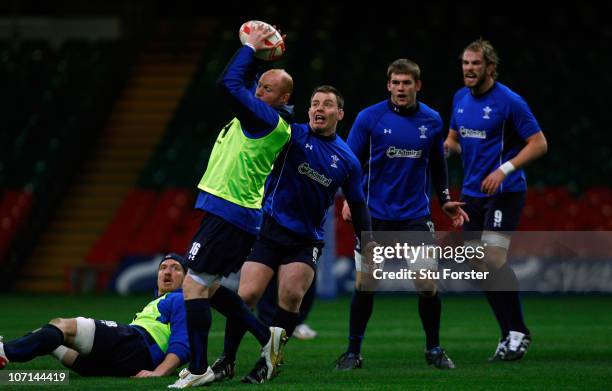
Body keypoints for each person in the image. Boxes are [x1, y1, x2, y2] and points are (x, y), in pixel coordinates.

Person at [211, 84, 373, 384]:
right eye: (314, 103)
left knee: (291, 297)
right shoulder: (291, 134)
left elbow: (359, 204)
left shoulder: (348, 160)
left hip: (306, 239)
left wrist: (368, 241)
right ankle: (227, 359)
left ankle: (267, 361)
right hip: (269, 227)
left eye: (326, 104)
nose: (318, 109)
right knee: (247, 295)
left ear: (340, 113)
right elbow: (260, 120)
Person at [168, 23, 293, 388]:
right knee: (208, 288)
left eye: (268, 89)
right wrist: (263, 59)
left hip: (231, 212)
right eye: (259, 85)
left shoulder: (267, 119)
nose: (259, 91)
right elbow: (244, 85)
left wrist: (251, 47)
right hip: (232, 212)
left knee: (191, 287)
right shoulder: (264, 113)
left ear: (283, 99)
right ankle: (265, 336)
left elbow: (228, 84)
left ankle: (199, 368)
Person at [334, 59, 468, 371]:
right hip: (373, 216)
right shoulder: (369, 117)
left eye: (407, 83)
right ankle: (353, 353)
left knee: (426, 284)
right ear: (388, 86)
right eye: (395, 83)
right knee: (367, 283)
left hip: (414, 217)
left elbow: (438, 165)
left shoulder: (432, 120)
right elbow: (350, 162)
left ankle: (434, 348)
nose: (400, 89)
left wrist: (446, 198)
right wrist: (347, 198)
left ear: (417, 86)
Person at [444, 38, 547, 361]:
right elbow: (453, 137)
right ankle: (507, 333)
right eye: (465, 63)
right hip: (472, 194)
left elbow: (539, 143)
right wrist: (446, 149)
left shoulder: (510, 101)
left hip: (505, 191)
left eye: (475, 63)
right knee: (478, 264)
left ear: (490, 67)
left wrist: (503, 169)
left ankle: (519, 332)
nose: (469, 69)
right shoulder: (460, 98)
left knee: (492, 258)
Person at [0, 253, 189, 377]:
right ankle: (8, 359)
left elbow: (182, 343)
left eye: (175, 268)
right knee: (47, 334)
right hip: (123, 362)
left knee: (63, 326)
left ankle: (5, 352)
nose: (167, 272)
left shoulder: (181, 299)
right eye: (163, 267)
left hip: (135, 345)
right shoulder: (159, 303)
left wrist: (160, 373)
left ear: (186, 278)